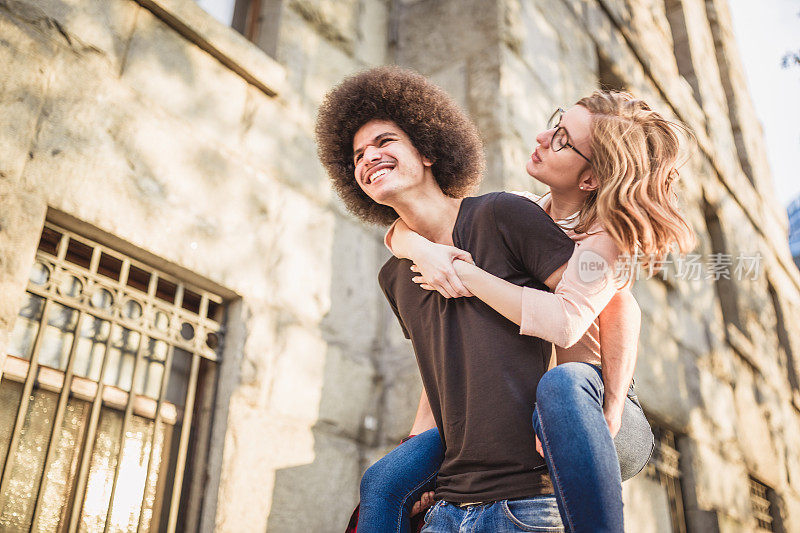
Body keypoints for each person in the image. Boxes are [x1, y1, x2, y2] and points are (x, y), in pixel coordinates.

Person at [380, 92, 696, 532]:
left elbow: (585, 318)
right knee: (384, 480)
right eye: (556, 123)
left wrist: (613, 407)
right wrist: (419, 249)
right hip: (530, 414)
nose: (543, 137)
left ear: (590, 178)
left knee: (562, 385)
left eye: (563, 140)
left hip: (594, 409)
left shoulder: (607, 239)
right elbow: (403, 229)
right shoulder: (522, 210)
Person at [316, 66, 578, 532]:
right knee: (381, 482)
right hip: (449, 506)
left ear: (429, 150)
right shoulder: (394, 275)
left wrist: (582, 415)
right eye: (357, 155)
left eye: (384, 142)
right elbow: (436, 369)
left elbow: (592, 312)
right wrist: (418, 461)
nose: (369, 158)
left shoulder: (503, 214)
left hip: (528, 499)